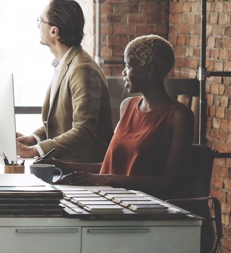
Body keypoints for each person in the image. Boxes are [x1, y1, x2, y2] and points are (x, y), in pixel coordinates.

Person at [44, 35, 194, 198]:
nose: (123, 72)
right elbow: (113, 166)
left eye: (128, 66)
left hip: (146, 205)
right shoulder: (127, 106)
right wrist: (62, 165)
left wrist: (105, 180)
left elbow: (169, 182)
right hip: (113, 198)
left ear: (148, 70)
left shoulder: (179, 116)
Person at [15, 0, 114, 162]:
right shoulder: (66, 64)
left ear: (54, 31)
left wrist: (35, 151)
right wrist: (34, 139)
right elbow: (62, 122)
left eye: (40, 21)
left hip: (81, 168)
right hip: (66, 165)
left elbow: (83, 130)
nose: (38, 26)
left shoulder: (82, 69)